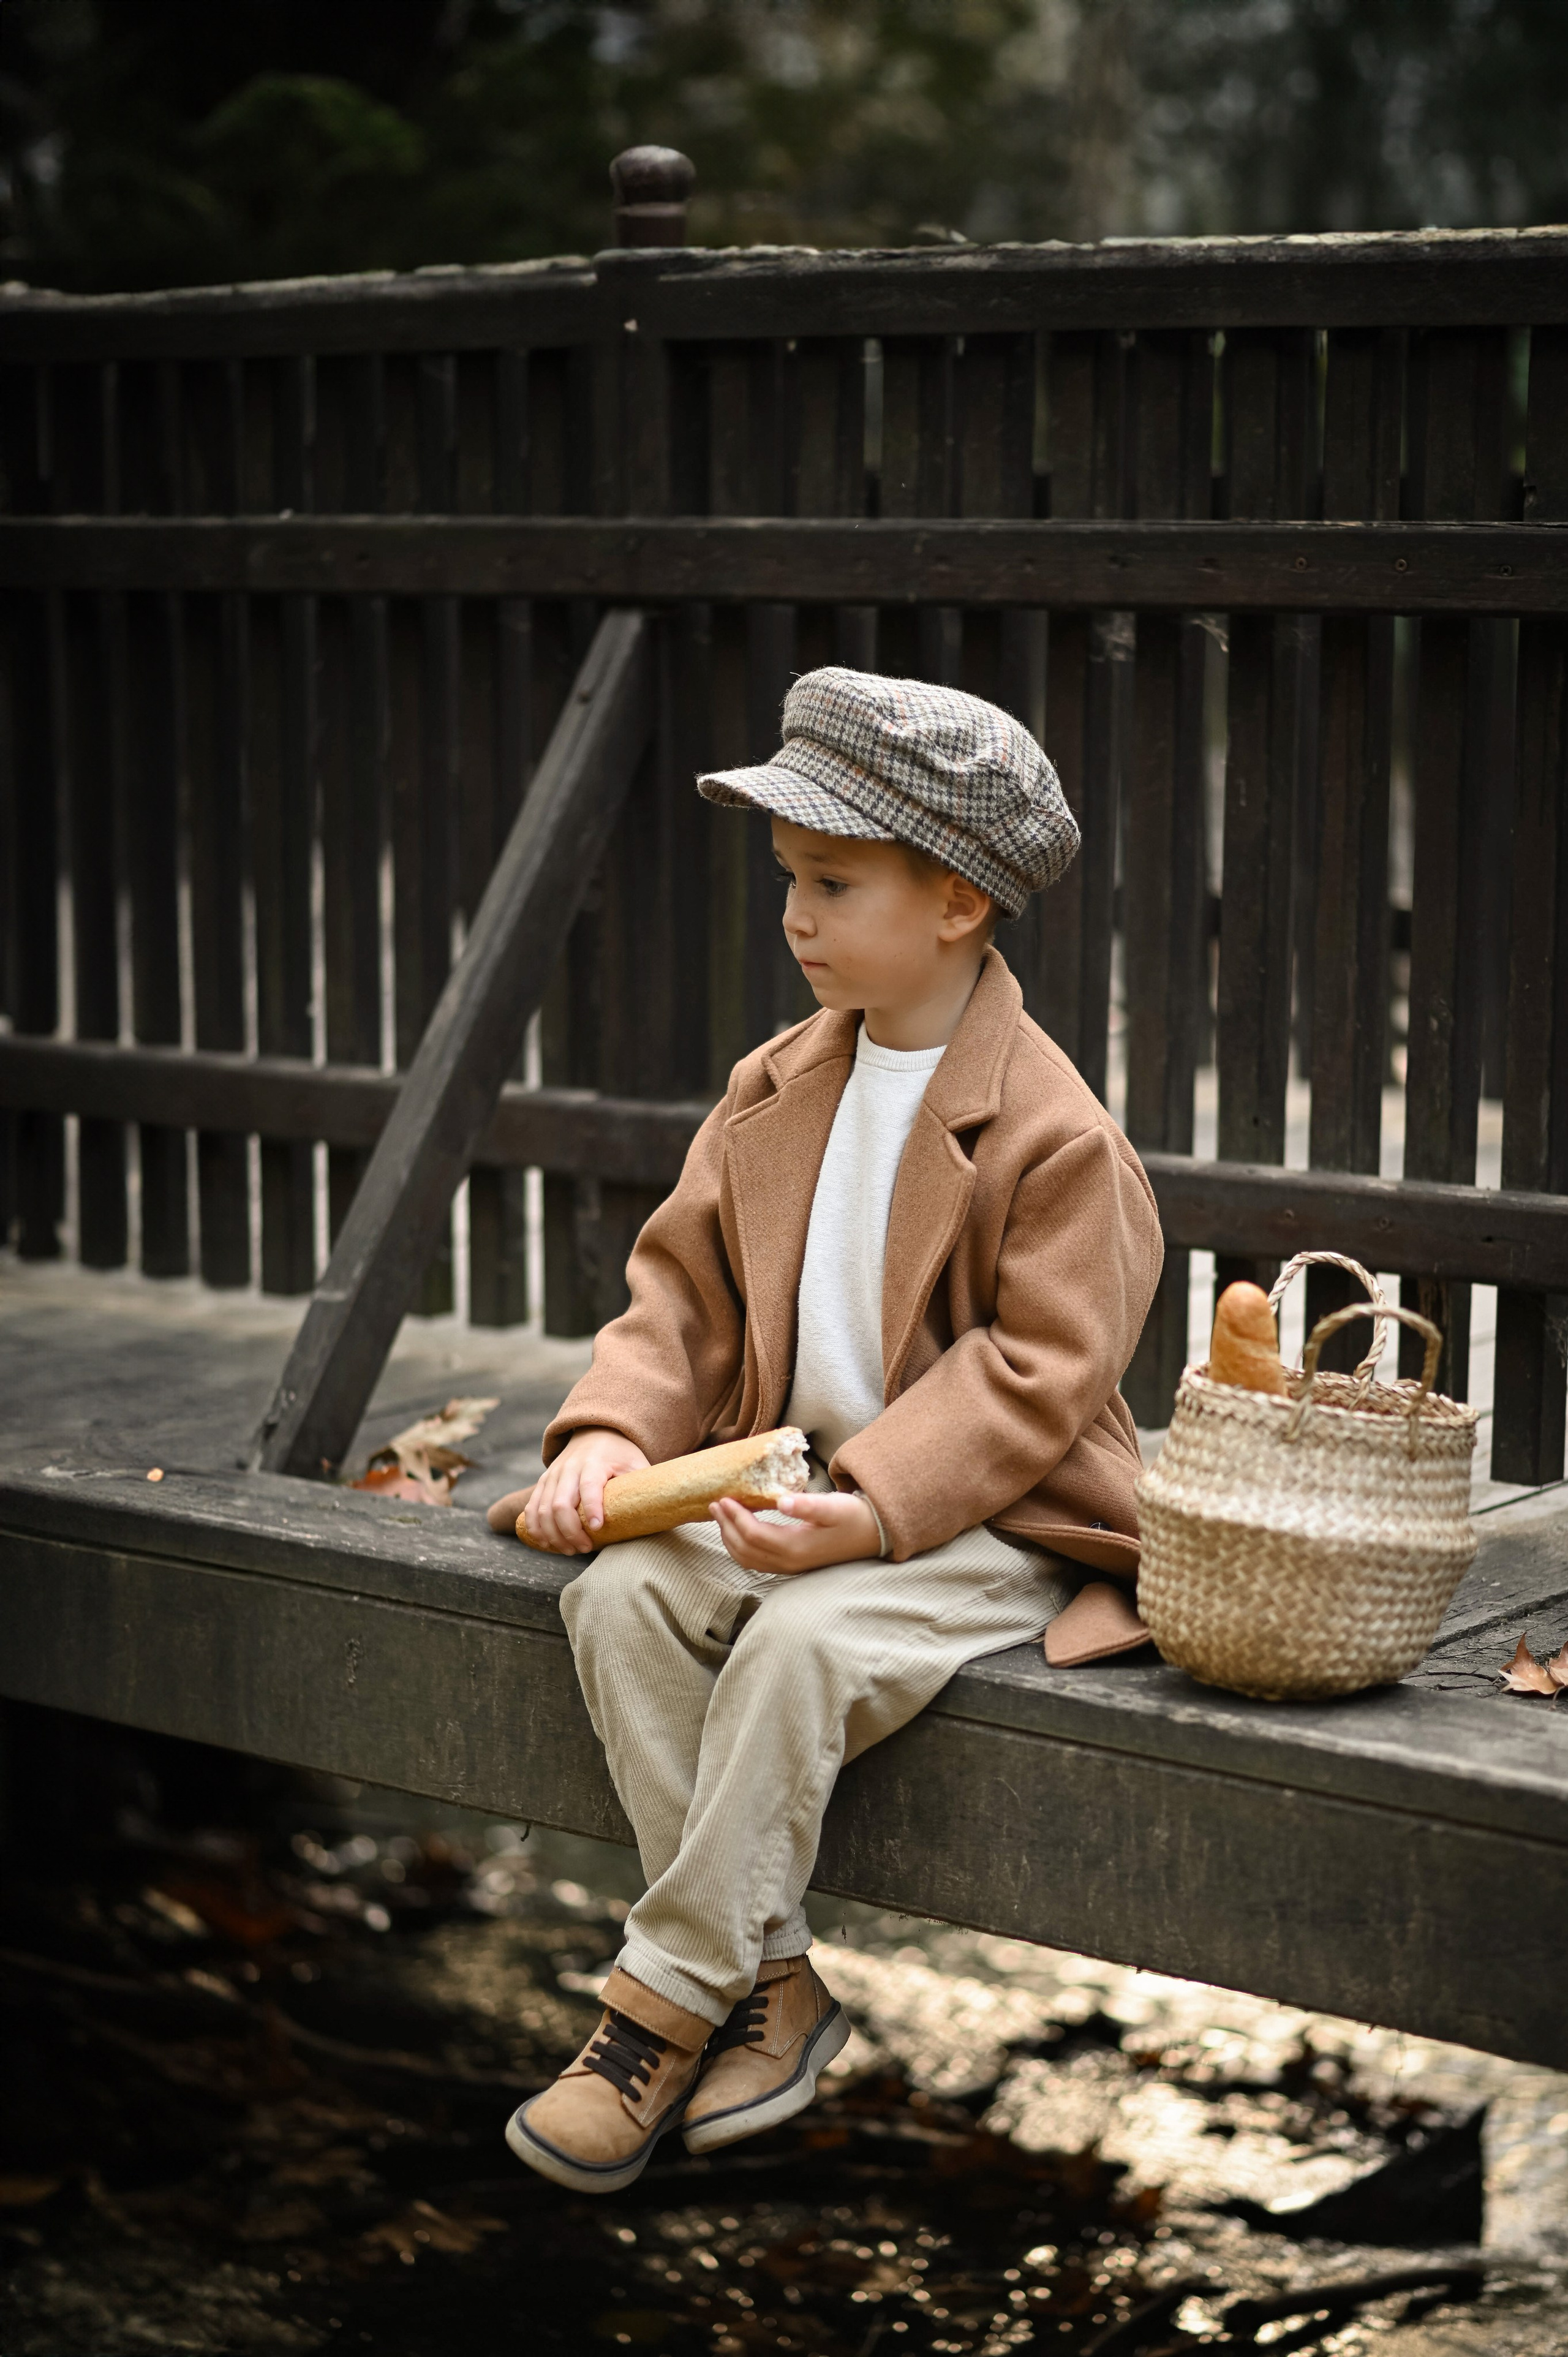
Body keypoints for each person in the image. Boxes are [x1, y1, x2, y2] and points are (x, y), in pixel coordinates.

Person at [486, 667, 1163, 2194]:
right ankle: (774, 1986)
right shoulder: (776, 1084)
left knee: (796, 1651)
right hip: (788, 1489)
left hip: (988, 1522)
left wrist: (867, 1509)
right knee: (620, 1596)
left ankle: (653, 2014)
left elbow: (1040, 1372)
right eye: (790, 880)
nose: (793, 916)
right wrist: (606, 1437)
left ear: (957, 904)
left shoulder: (1053, 1133)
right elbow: (682, 1301)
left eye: (831, 883)